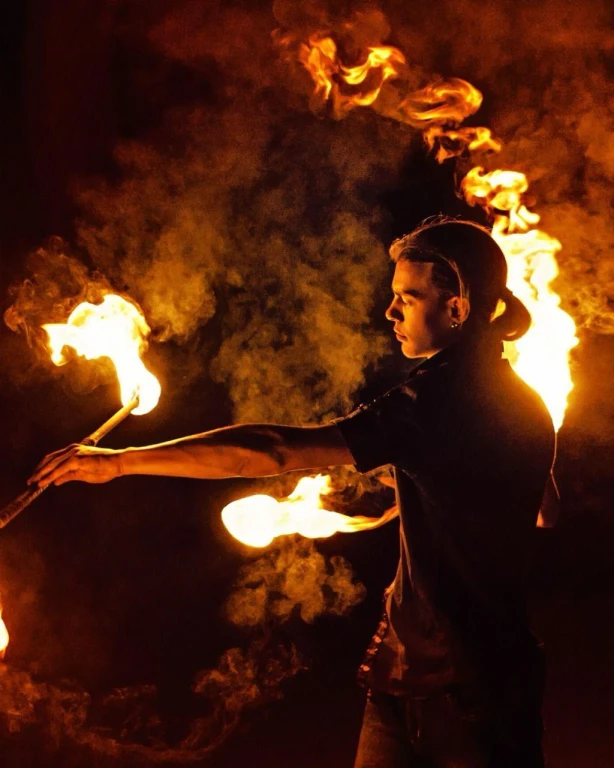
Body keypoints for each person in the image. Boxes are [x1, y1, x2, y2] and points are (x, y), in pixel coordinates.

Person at [30, 218, 556, 767]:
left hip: (463, 692)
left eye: (408, 297)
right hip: (429, 675)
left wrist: (120, 464)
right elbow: (543, 508)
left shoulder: (433, 402)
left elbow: (275, 450)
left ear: (457, 309)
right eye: (393, 295)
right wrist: (424, 487)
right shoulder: (524, 402)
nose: (390, 312)